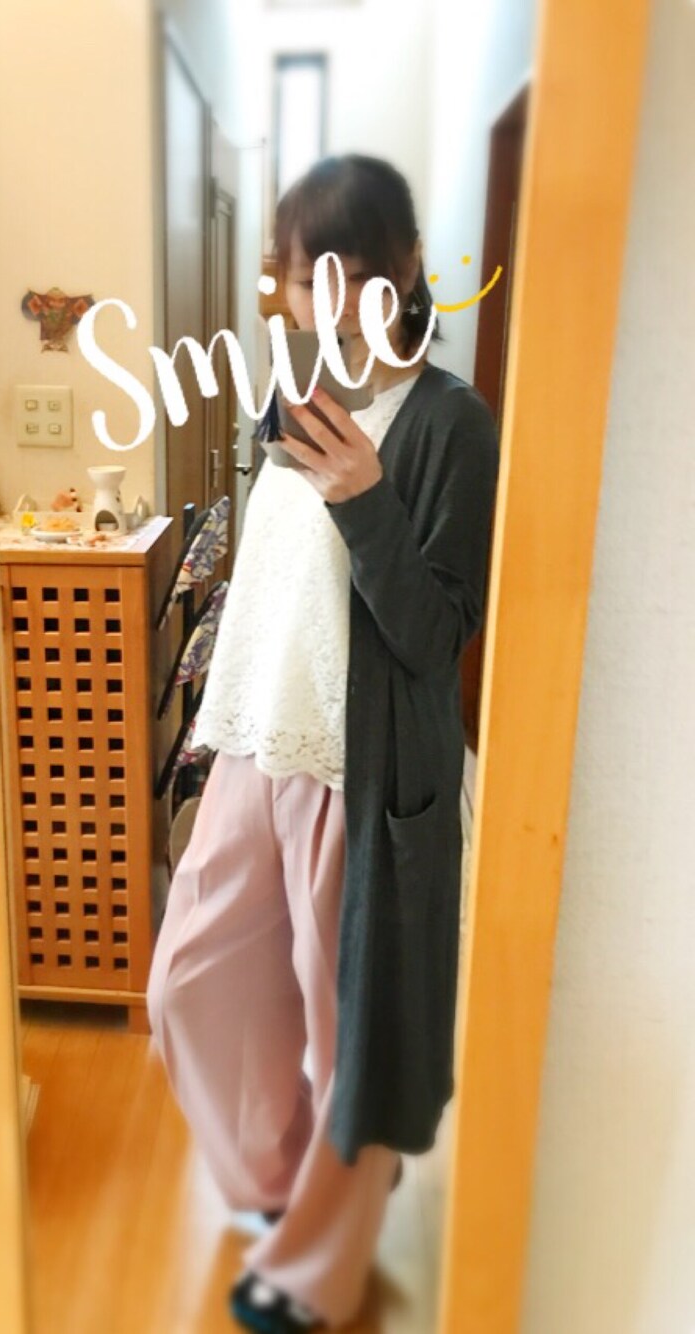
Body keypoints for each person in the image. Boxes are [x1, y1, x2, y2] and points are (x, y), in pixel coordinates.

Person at [146, 154, 500, 1333]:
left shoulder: (451, 424)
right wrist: (217, 716)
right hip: (255, 739)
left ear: (405, 266)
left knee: (351, 1032)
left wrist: (364, 495)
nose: (326, 297)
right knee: (190, 982)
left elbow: (437, 633)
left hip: (361, 768)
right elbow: (277, 579)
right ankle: (297, 1178)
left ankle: (316, 1262)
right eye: (305, 276)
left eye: (349, 269)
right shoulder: (296, 395)